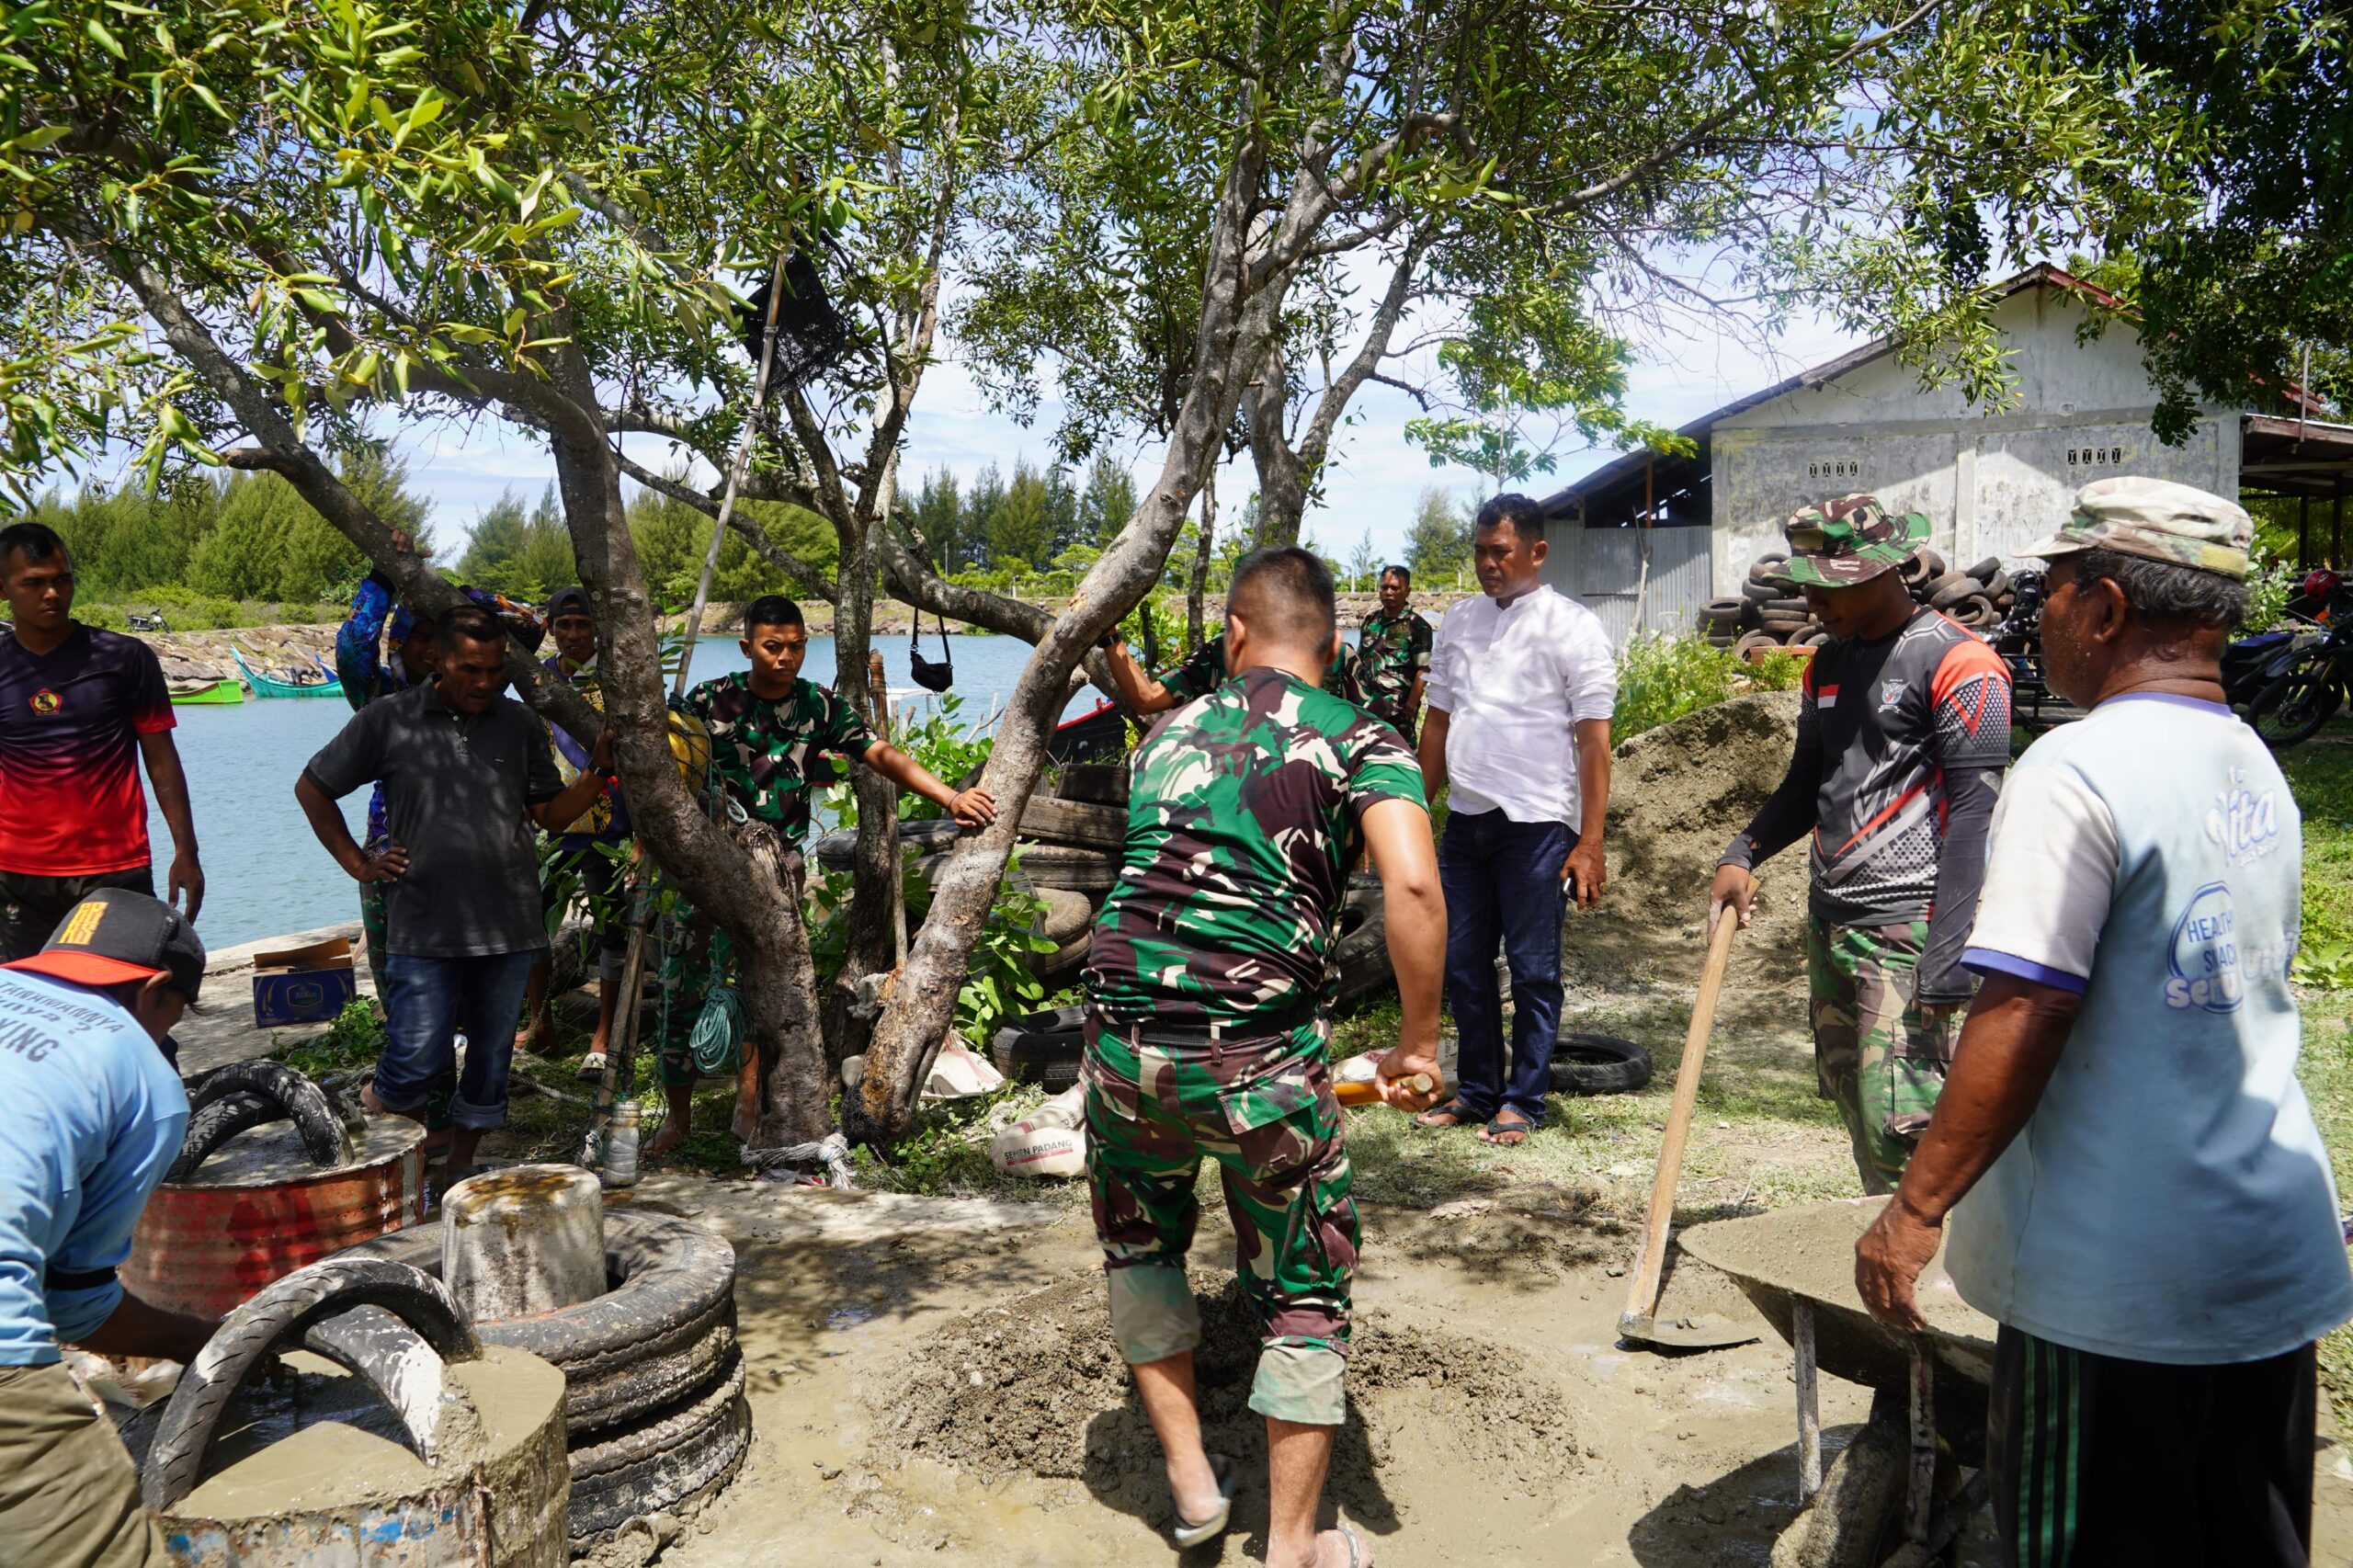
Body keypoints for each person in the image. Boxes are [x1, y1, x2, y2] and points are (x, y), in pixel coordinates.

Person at [1855, 479, 2353, 1568]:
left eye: (2052, 587)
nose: (2036, 612)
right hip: (2265, 1257)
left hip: (2118, 1285)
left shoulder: (2077, 767)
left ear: (2106, 607)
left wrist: (1915, 1206)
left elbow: (2029, 1002)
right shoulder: (2252, 762)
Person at [1083, 545, 1445, 1568]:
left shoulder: (1166, 732)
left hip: (1118, 1042)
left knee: (1142, 1247)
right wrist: (1418, 1044)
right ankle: (1291, 1547)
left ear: (1235, 634)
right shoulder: (1362, 737)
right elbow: (1414, 887)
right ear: (1333, 643)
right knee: (1302, 1287)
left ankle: (1193, 1484)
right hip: (1255, 1054)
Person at [1710, 494, 2013, 1194]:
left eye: (1831, 586)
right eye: (1806, 586)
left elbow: (1975, 814)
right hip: (1833, 926)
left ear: (1885, 569)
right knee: (1860, 1110)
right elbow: (1805, 784)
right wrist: (1741, 852)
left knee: (1907, 1128)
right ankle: (1882, 1242)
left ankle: (1935, 1256)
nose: (1814, 603)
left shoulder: (1960, 662)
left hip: (1909, 934)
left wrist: (1948, 955)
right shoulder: (1828, 664)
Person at [654, 595, 995, 1158]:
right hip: (707, 866)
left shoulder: (817, 705)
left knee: (766, 993)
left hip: (776, 873)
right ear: (746, 647)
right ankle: (678, 1117)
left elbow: (879, 753)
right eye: (772, 647)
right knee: (681, 986)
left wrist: (951, 797)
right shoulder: (709, 700)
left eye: (795, 647)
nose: (785, 658)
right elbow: (668, 768)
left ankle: (751, 1105)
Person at [296, 603, 613, 1179]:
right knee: (415, 1056)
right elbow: (313, 789)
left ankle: (458, 1169)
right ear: (437, 659)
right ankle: (387, 1144)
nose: (485, 682)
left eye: (494, 670)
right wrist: (358, 863)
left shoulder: (518, 723)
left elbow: (549, 814)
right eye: (470, 669)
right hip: (423, 925)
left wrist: (597, 774)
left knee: (490, 1059)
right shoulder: (390, 718)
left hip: (509, 925)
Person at [0, 887, 217, 1567]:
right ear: (155, 990)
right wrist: (202, 1340)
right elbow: (73, 1305)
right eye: (176, 1011)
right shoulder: (143, 1073)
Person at [1411, 495, 1614, 1147]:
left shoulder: (1572, 626)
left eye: (1499, 551)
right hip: (1466, 824)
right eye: (1479, 551)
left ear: (1537, 551)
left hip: (1538, 827)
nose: (1487, 564)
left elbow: (1594, 742)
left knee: (1532, 970)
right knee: (1463, 964)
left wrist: (1590, 841)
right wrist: (1412, 814)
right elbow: (1437, 724)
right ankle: (1476, 1091)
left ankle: (1523, 1101)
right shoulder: (1458, 621)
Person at [0, 522, 202, 960]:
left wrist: (186, 850)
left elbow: (161, 760)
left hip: (115, 871)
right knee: (22, 996)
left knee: (124, 991)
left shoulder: (125, 658)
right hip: (17, 877)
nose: (52, 594)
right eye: (33, 583)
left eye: (62, 580)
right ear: (3, 589)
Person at [516, 586, 631, 1073]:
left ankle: (605, 1034)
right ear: (550, 628)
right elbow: (527, 748)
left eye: (584, 624)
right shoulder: (537, 681)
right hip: (554, 824)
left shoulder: (618, 681)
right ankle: (540, 1023)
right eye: (564, 625)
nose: (574, 634)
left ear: (599, 627)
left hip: (611, 827)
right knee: (531, 921)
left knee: (612, 930)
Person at [1101, 620, 1363, 714]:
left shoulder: (1336, 655)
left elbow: (1372, 735)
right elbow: (1147, 699)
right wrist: (1110, 637)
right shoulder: (1221, 651)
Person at [1357, 564, 1434, 740]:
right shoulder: (1371, 621)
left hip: (1397, 710)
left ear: (1407, 591)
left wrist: (1410, 708)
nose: (1388, 592)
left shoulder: (1418, 626)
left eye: (1395, 588)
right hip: (1365, 706)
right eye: (1384, 587)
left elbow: (1423, 669)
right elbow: (1361, 658)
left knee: (1399, 752)